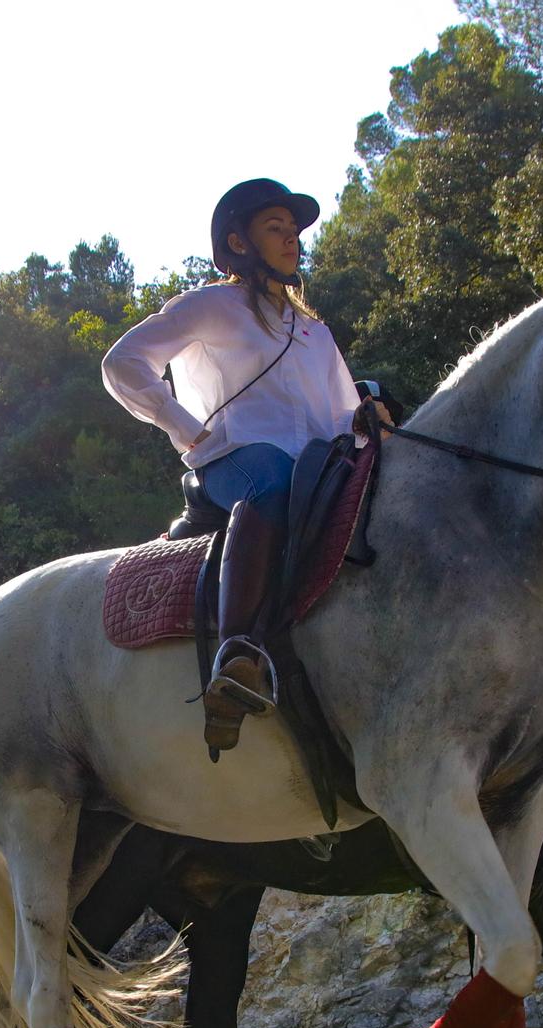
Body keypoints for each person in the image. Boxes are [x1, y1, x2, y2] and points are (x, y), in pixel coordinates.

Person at [102, 177, 385, 752]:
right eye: (275, 229)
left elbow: (340, 412)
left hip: (316, 463)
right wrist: (186, 429)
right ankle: (236, 654)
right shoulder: (211, 306)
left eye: (294, 230)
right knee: (272, 478)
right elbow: (123, 362)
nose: (291, 240)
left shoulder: (314, 330)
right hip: (235, 461)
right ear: (238, 242)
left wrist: (371, 421)